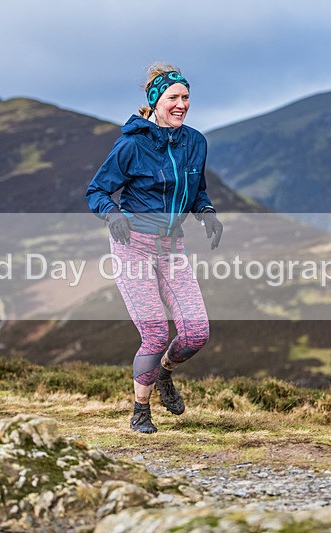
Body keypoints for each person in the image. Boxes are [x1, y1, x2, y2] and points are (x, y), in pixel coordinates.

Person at [86, 64, 224, 433]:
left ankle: (164, 373)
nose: (181, 104)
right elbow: (97, 191)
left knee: (196, 333)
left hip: (172, 246)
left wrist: (206, 212)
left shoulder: (195, 142)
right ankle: (140, 411)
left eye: (185, 97)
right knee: (156, 334)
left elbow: (197, 190)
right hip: (132, 245)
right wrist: (111, 214)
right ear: (155, 101)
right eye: (173, 98)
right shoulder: (132, 144)